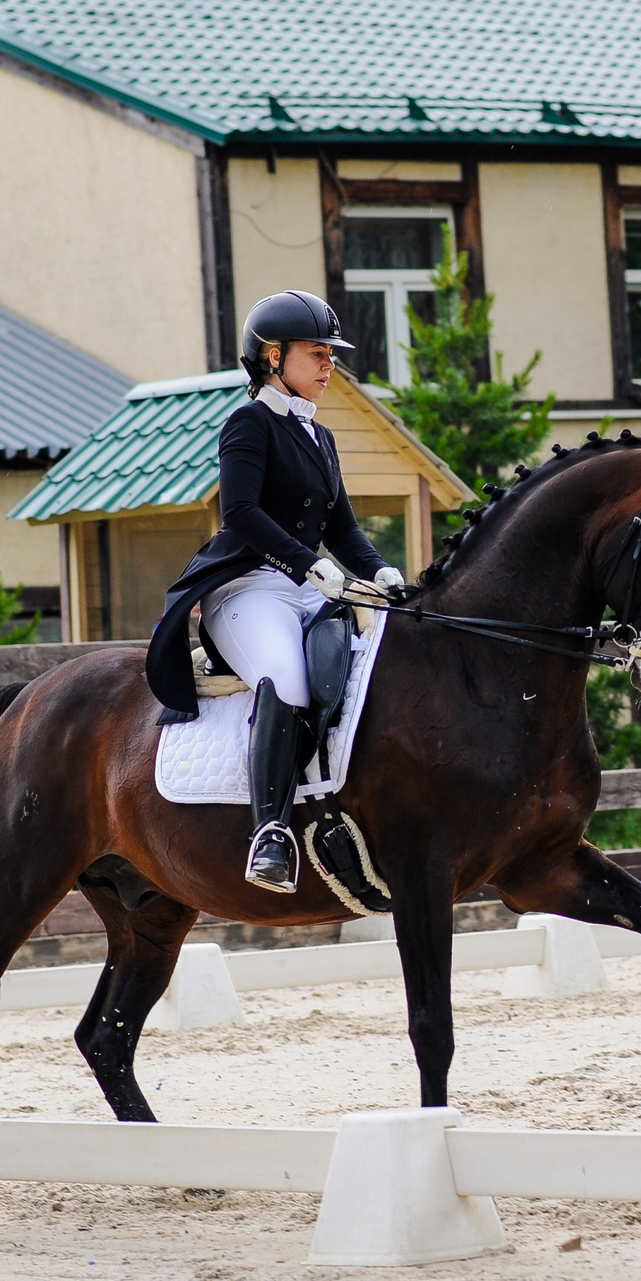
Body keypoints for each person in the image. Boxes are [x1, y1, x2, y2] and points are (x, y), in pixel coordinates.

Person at [143, 291, 407, 892]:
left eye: (330, 355)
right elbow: (240, 512)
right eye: (317, 354)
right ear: (272, 355)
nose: (328, 365)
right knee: (287, 677)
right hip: (247, 587)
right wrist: (306, 565)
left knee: (376, 663)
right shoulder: (249, 424)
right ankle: (271, 833)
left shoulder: (322, 437)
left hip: (308, 585)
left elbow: (342, 527)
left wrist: (380, 570)